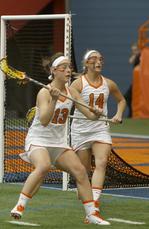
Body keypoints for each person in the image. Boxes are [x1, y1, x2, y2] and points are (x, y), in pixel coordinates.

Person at [10, 52, 110, 225]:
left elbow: (89, 116)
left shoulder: (72, 92)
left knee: (80, 172)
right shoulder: (44, 92)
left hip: (58, 143)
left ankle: (91, 214)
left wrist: (97, 113)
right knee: (43, 166)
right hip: (38, 140)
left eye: (69, 67)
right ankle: (19, 205)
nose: (68, 70)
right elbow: (44, 120)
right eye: (63, 67)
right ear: (54, 71)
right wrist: (54, 101)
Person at [70, 50, 126, 213]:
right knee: (83, 170)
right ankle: (86, 192)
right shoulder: (78, 84)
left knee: (101, 163)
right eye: (93, 59)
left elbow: (121, 100)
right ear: (86, 64)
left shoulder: (108, 83)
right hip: (81, 130)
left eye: (100, 59)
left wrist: (118, 114)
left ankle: (94, 200)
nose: (98, 62)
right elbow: (71, 104)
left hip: (100, 128)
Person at [124, 43, 141, 118]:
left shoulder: (143, 56)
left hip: (141, 83)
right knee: (127, 96)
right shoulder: (137, 57)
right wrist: (135, 53)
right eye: (132, 50)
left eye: (135, 50)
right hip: (136, 82)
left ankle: (133, 114)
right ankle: (131, 114)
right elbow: (130, 61)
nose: (134, 51)